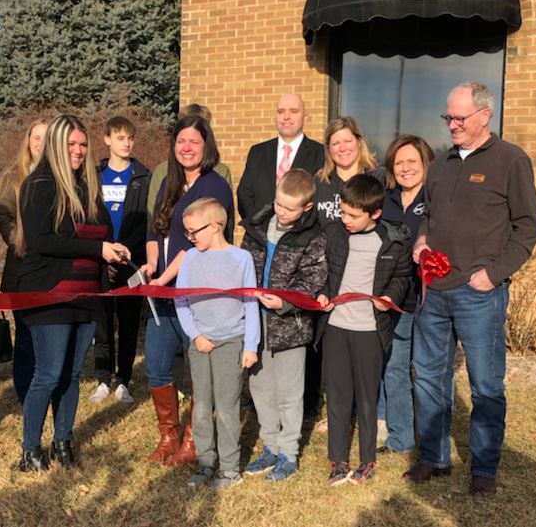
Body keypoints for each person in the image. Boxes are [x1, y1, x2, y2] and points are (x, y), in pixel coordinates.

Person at [405, 82, 536, 496]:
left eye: (459, 118)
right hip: (435, 290)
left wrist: (494, 273)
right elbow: (428, 213)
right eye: (448, 117)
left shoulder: (511, 160)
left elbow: (528, 226)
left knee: (485, 384)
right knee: (428, 377)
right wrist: (422, 240)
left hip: (479, 294)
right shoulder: (442, 162)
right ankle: (432, 458)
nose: (452, 125)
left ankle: (484, 468)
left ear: (485, 115)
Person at [14, 114, 130, 472]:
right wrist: (97, 250)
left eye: (82, 145)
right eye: (70, 145)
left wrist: (112, 248)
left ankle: (63, 442)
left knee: (72, 374)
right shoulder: (40, 184)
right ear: (55, 146)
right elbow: (42, 240)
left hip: (87, 295)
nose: (78, 151)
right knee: (48, 374)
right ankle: (30, 450)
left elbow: (101, 231)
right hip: (50, 293)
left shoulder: (89, 185)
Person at [142, 114, 234, 466]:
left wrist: (165, 278)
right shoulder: (168, 181)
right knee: (157, 363)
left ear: (206, 145)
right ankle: (168, 436)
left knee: (198, 367)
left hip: (195, 293)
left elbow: (195, 243)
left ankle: (194, 441)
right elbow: (155, 231)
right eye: (181, 141)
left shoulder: (214, 186)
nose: (187, 147)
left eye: (194, 141)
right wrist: (152, 266)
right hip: (163, 293)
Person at [315, 174, 412, 486]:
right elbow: (321, 270)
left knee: (368, 398)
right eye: (343, 212)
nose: (345, 219)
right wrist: (321, 294)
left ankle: (367, 461)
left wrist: (390, 297)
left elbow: (401, 276)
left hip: (369, 330)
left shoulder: (393, 241)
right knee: (339, 397)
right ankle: (338, 461)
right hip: (336, 328)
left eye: (353, 215)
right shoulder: (333, 233)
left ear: (375, 214)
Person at [241, 169, 326, 482]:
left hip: (292, 326)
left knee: (289, 393)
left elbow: (313, 280)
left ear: (306, 207)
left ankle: (289, 453)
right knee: (261, 388)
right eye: (278, 204)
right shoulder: (256, 228)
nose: (282, 212)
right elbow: (243, 266)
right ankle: (271, 446)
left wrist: (286, 303)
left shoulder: (313, 237)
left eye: (290, 208)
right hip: (256, 322)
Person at [175, 198, 259, 491]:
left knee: (226, 407)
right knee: (201, 406)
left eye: (193, 231)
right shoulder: (190, 258)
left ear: (214, 226)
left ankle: (230, 469)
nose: (190, 237)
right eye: (187, 232)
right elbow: (181, 300)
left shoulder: (241, 259)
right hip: (200, 344)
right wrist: (195, 335)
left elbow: (250, 303)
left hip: (231, 343)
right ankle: (206, 462)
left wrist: (250, 345)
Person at [310, 116, 385, 421]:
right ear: (328, 148)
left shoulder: (377, 177)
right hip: (330, 275)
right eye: (335, 142)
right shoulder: (321, 183)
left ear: (358, 141)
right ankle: (339, 411)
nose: (342, 147)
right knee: (335, 347)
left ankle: (371, 413)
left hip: (365, 273)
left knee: (366, 347)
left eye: (347, 140)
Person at [376, 134, 435, 455]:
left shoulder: (437, 199)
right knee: (393, 365)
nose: (405, 168)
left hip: (429, 299)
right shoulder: (385, 201)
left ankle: (421, 435)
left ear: (425, 163)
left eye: (412, 161)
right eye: (399, 163)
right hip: (393, 298)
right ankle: (397, 433)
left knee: (424, 371)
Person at [90, 116, 151, 405]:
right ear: (107, 139)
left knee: (127, 322)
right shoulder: (94, 174)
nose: (126, 143)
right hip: (100, 259)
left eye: (130, 138)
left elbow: (146, 221)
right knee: (102, 321)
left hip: (130, 258)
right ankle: (102, 377)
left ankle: (123, 379)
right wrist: (102, 248)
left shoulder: (143, 177)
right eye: (120, 137)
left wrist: (127, 249)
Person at [0, 117, 48, 403]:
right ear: (28, 142)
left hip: (54, 270)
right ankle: (25, 389)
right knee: (26, 333)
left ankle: (47, 387)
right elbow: (3, 218)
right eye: (36, 137)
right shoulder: (13, 177)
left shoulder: (68, 176)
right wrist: (23, 242)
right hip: (23, 267)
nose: (41, 143)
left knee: (48, 335)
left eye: (46, 137)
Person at [237, 94, 325, 222]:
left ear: (305, 118)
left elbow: (320, 199)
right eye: (281, 111)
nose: (286, 117)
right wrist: (257, 225)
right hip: (258, 236)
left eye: (294, 111)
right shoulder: (258, 152)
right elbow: (244, 194)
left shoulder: (321, 153)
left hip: (302, 237)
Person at [147, 104, 233, 224]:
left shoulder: (219, 174)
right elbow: (152, 214)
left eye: (194, 140)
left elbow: (223, 220)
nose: (187, 147)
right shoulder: (163, 172)